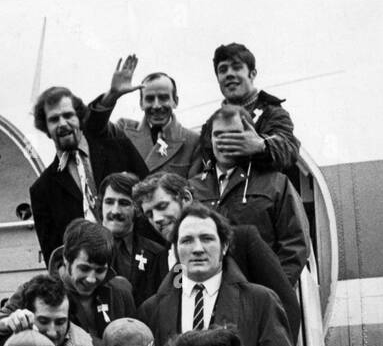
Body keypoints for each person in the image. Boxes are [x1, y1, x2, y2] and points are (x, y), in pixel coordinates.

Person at [138, 204, 294, 346]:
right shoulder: (151, 310)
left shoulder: (260, 301)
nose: (198, 248)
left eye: (207, 238)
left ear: (225, 246)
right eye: (187, 240)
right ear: (174, 250)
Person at [133, 173, 301, 339]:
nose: (157, 219)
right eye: (149, 214)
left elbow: (284, 305)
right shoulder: (158, 261)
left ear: (186, 198)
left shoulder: (242, 241)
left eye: (162, 206)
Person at [190, 104, 310, 286]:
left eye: (234, 134)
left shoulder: (276, 184)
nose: (225, 141)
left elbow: (294, 246)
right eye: (218, 135)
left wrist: (274, 293)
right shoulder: (194, 188)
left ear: (249, 137)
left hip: (259, 299)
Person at [29, 82, 147, 263]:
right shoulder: (42, 190)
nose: (62, 123)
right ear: (45, 129)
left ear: (79, 118)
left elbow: (149, 195)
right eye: (53, 119)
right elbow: (54, 258)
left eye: (68, 115)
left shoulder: (118, 147)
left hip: (139, 263)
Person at [87, 55, 201, 177]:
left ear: (175, 101)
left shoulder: (193, 141)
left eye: (163, 98)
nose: (156, 105)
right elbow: (93, 128)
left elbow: (194, 189)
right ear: (141, 103)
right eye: (150, 99)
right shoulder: (124, 130)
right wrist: (112, 95)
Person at [212, 42, 300, 175]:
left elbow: (289, 148)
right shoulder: (212, 124)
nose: (229, 74)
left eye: (236, 67)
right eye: (223, 70)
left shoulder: (273, 113)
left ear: (252, 74)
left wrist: (262, 145)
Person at [48, 219, 136, 341]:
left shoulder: (121, 294)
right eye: (84, 268)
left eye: (100, 270)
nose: (91, 279)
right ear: (66, 260)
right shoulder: (36, 293)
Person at [98, 172, 166, 304]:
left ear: (138, 209)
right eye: (109, 202)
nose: (115, 211)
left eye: (124, 203)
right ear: (100, 205)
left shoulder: (156, 254)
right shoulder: (84, 248)